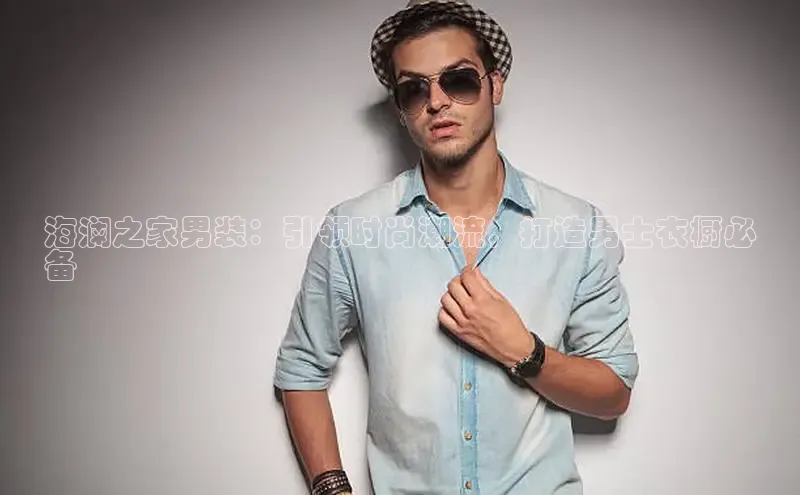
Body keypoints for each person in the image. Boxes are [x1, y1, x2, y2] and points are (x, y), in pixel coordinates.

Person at [272, 1, 640, 494]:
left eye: (459, 80)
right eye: (414, 89)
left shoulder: (576, 227)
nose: (437, 102)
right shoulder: (352, 230)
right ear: (400, 110)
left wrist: (523, 351)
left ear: (495, 85)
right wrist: (333, 490)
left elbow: (613, 394)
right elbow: (300, 369)